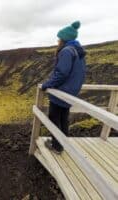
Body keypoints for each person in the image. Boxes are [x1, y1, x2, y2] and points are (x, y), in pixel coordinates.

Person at [41, 21, 86, 154]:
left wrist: (47, 84)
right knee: (63, 118)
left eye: (59, 39)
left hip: (62, 91)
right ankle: (62, 144)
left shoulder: (67, 51)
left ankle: (57, 147)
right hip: (71, 91)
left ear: (64, 39)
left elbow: (62, 73)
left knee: (54, 117)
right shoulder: (78, 51)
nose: (58, 41)